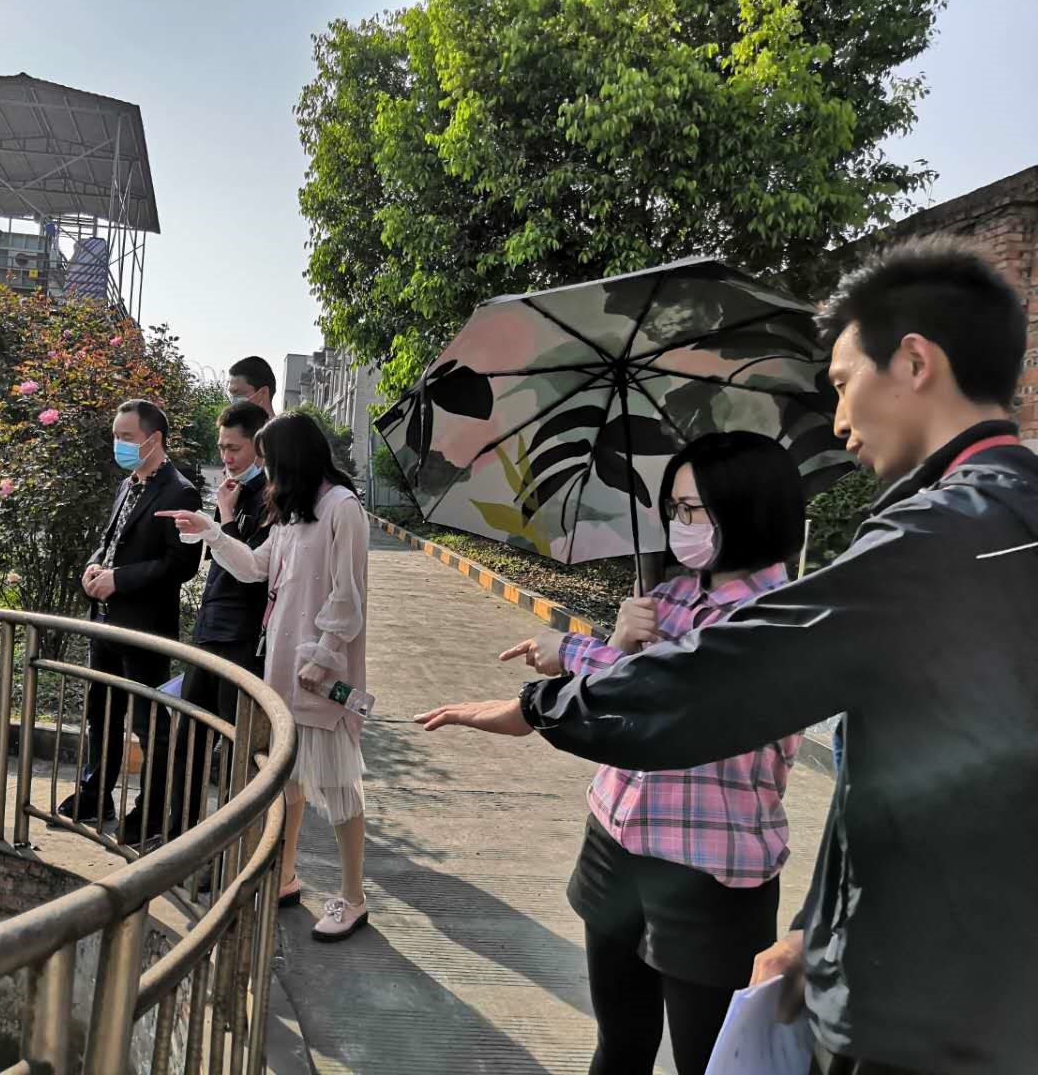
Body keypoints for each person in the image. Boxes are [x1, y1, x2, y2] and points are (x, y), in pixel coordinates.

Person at [415, 237, 1038, 1074]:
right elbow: (912, 777)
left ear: (915, 362)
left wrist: (542, 704)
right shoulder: (1002, 519)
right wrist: (816, 924)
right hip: (948, 963)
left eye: (843, 383)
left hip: (929, 992)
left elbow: (716, 687)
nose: (840, 420)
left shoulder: (937, 539)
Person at [499, 431, 807, 1075]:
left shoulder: (779, 617)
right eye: (673, 509)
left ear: (746, 509)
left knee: (709, 1061)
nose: (678, 525)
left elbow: (677, 702)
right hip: (614, 843)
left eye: (691, 510)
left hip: (708, 873)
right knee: (619, 1042)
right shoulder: (670, 595)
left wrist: (578, 654)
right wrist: (619, 640)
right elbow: (625, 700)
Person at [159, 411, 372, 942]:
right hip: (283, 667)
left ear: (291, 459)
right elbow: (255, 568)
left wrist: (323, 657)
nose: (267, 473)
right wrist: (213, 530)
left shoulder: (342, 509)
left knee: (338, 786)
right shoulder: (292, 515)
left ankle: (353, 897)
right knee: (289, 783)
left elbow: (347, 598)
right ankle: (285, 874)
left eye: (271, 461)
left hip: (319, 675)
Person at [57, 399, 202, 845]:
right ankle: (95, 794)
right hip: (104, 622)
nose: (118, 444)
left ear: (154, 439)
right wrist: (94, 566)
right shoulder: (128, 484)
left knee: (148, 725)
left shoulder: (179, 492)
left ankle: (150, 812)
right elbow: (111, 540)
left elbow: (182, 564)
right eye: (115, 436)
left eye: (127, 437)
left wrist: (120, 579)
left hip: (145, 629)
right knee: (101, 716)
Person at [175, 401, 273, 828]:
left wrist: (226, 519)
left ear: (259, 447)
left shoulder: (272, 498)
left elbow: (250, 569)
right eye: (221, 448)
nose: (226, 457)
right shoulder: (229, 490)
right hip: (210, 629)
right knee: (188, 740)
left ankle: (229, 845)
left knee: (237, 750)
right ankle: (180, 833)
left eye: (234, 448)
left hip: (242, 639)